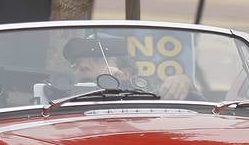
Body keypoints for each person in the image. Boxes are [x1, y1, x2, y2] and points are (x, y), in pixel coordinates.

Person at [62, 35, 195, 100]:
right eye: (77, 62)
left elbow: (162, 94)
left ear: (126, 74)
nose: (83, 66)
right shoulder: (58, 100)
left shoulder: (146, 96)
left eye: (97, 60)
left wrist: (184, 81)